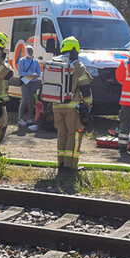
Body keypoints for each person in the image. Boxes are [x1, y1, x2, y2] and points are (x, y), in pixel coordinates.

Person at [53, 36, 93, 172]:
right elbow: (85, 88)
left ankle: (61, 164)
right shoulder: (78, 66)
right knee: (74, 135)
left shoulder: (56, 64)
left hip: (57, 106)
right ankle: (71, 166)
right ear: (76, 49)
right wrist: (88, 105)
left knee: (62, 134)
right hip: (73, 107)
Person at [17, 45, 41, 130]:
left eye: (31, 51)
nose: (31, 52)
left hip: (34, 82)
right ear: (26, 51)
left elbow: (39, 73)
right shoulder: (22, 61)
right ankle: (20, 118)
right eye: (29, 51)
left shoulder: (36, 61)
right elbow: (20, 72)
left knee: (32, 100)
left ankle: (30, 118)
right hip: (25, 82)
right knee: (24, 99)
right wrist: (30, 75)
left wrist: (35, 75)